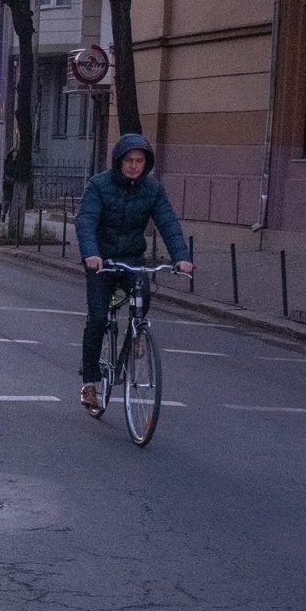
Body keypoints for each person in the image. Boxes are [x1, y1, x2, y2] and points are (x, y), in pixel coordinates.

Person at [75, 133, 194, 415]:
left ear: (146, 164)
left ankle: (136, 334)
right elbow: (86, 220)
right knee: (98, 316)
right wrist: (91, 254)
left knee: (144, 293)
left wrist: (182, 258)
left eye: (139, 161)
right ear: (119, 161)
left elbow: (168, 222)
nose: (134, 166)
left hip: (131, 258)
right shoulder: (99, 186)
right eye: (129, 160)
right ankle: (90, 382)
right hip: (101, 261)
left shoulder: (152, 190)